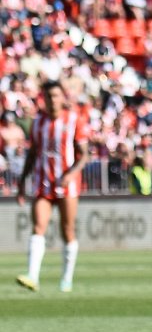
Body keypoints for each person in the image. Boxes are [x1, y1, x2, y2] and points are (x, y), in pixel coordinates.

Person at [15, 81, 90, 293]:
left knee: (67, 230)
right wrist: (22, 182)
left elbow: (84, 154)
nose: (52, 100)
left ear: (62, 97)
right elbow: (32, 154)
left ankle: (66, 279)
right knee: (38, 226)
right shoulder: (38, 122)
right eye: (48, 96)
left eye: (56, 96)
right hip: (43, 182)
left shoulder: (74, 120)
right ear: (44, 99)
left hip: (67, 185)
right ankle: (32, 276)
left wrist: (71, 174)